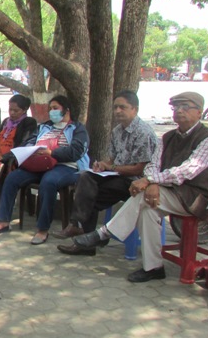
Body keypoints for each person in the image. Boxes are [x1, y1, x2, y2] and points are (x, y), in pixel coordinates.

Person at [63, 92, 208, 282]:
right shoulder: (168, 137)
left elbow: (186, 171)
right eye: (176, 107)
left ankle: (103, 233)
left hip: (195, 198)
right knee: (147, 209)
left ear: (199, 112)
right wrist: (152, 181)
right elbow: (154, 164)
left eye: (186, 107)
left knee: (141, 195)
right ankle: (153, 267)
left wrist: (149, 181)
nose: (179, 111)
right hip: (166, 191)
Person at [56, 90, 159, 254]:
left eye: (123, 107)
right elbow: (112, 159)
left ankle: (80, 233)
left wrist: (112, 168)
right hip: (116, 178)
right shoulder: (117, 131)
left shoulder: (143, 132)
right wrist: (103, 165)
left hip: (136, 182)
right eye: (116, 107)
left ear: (135, 109)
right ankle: (81, 233)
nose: (118, 111)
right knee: (86, 178)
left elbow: (140, 168)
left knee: (89, 195)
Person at [0, 95, 90, 245]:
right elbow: (29, 142)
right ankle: (4, 221)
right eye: (50, 108)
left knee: (48, 182)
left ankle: (43, 229)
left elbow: (76, 151)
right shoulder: (44, 127)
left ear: (66, 110)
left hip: (65, 167)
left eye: (55, 108)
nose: (52, 111)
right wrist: (19, 153)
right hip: (39, 165)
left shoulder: (77, 128)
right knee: (13, 177)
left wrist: (52, 153)